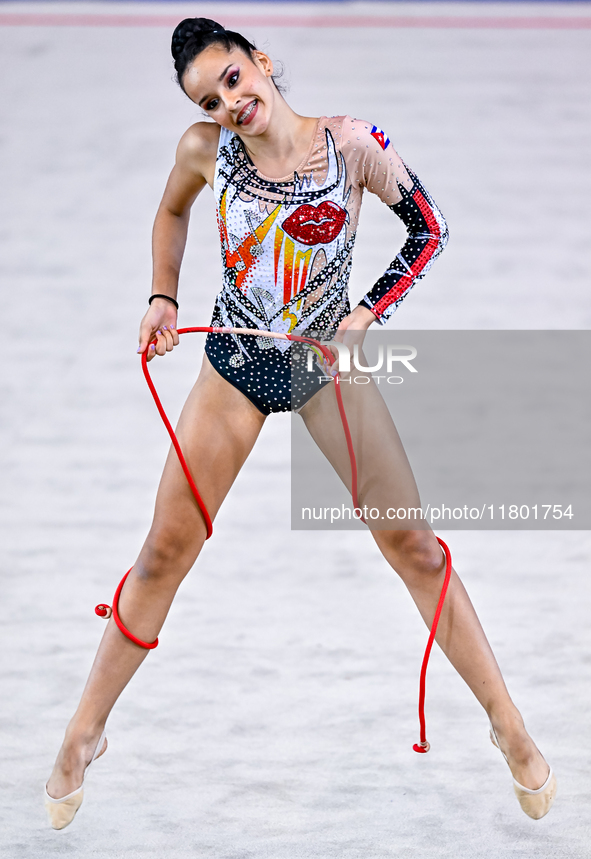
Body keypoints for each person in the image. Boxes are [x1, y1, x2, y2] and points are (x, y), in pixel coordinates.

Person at [44, 18, 556, 829]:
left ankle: (507, 724)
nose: (230, 104)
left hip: (324, 365)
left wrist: (365, 311)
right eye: (211, 100)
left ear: (262, 63)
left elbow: (430, 230)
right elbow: (171, 215)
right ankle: (83, 733)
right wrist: (162, 296)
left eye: (235, 80)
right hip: (237, 366)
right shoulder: (203, 151)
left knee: (416, 547)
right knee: (161, 555)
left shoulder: (350, 144)